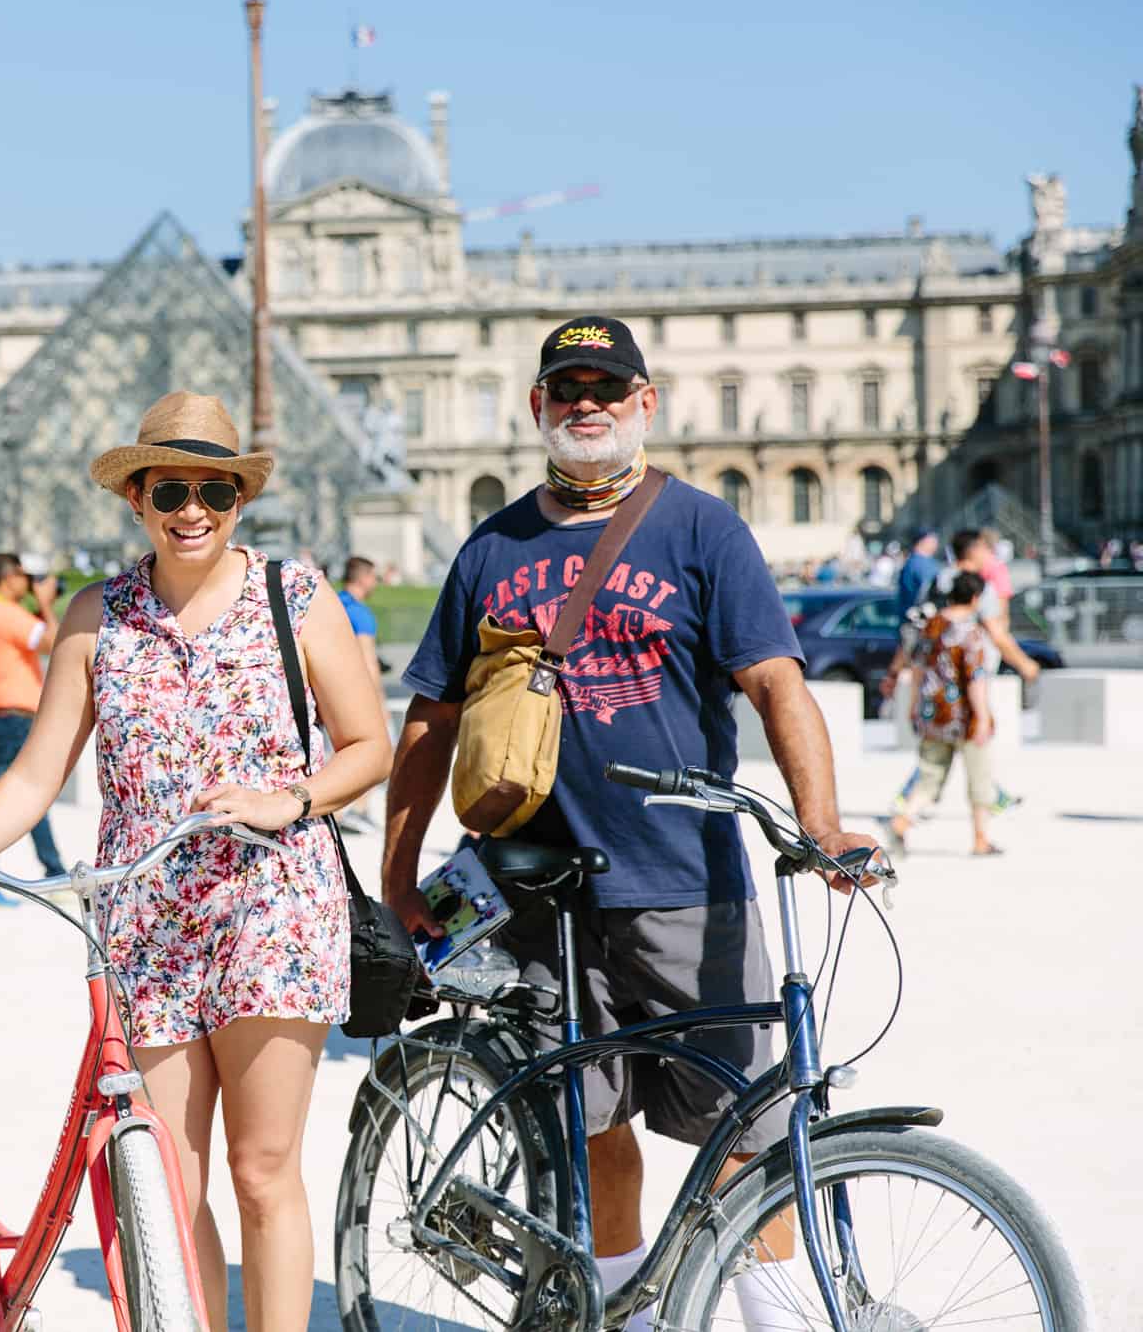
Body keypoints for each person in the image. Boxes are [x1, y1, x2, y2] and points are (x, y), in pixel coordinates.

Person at [382, 316, 880, 1332]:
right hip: (539, 889)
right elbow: (430, 717)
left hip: (683, 880)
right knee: (589, 1122)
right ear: (536, 408)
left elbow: (775, 681)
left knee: (745, 1125)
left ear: (644, 403)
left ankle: (771, 1316)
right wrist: (398, 878)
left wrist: (818, 823)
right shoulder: (490, 543)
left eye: (605, 387)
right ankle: (627, 1312)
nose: (585, 404)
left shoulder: (700, 528)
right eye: (565, 388)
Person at [0, 391, 391, 1332]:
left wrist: (289, 799)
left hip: (275, 907)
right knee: (168, 1176)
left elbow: (368, 745)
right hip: (146, 921)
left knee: (262, 1168)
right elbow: (36, 775)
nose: (191, 508)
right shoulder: (95, 614)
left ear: (239, 499)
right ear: (137, 499)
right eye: (170, 489)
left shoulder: (296, 595)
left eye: (213, 490)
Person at [0, 551, 65, 888]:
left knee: (15, 796)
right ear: (10, 579)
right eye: (25, 577)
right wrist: (46, 604)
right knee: (20, 798)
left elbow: (32, 642)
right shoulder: (6, 614)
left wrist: (37, 607)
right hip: (14, 718)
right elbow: (54, 642)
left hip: (2, 715)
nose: (30, 583)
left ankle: (50, 870)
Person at [883, 573, 999, 857]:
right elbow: (975, 678)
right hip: (964, 716)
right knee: (978, 775)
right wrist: (983, 716)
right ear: (974, 598)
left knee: (930, 776)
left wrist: (913, 706)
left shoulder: (931, 627)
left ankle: (902, 821)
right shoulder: (970, 632)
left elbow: (918, 669)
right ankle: (980, 839)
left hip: (932, 712)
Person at [334, 555, 385, 833]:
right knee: (374, 753)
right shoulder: (361, 613)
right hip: (356, 695)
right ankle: (350, 811)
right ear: (364, 578)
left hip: (326, 695)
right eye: (374, 577)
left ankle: (350, 811)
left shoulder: (332, 603)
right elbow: (368, 660)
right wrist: (379, 700)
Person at [894, 531, 943, 620]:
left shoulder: (912, 561)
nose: (936, 544)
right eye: (932, 541)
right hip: (919, 618)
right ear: (921, 542)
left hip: (911, 615)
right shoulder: (920, 563)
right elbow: (926, 589)